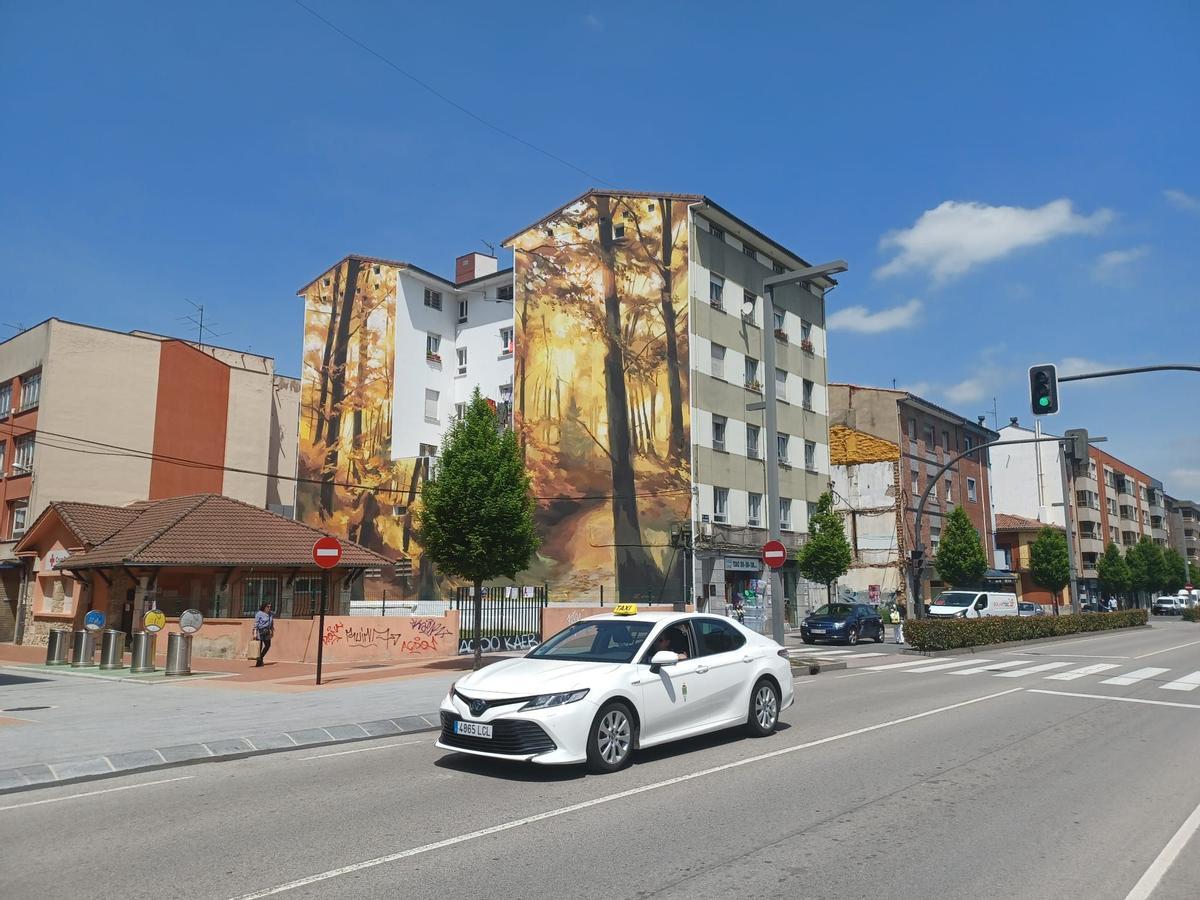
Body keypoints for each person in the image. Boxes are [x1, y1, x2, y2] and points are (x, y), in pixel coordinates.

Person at [253, 601, 275, 667]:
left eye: (270, 606)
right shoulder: (259, 614)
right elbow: (256, 624)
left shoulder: (271, 614)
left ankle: (260, 658)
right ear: (264, 607)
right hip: (260, 631)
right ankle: (259, 662)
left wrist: (272, 631)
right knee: (259, 647)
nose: (269, 608)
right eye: (268, 606)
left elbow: (271, 623)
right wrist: (254, 633)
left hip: (267, 631)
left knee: (268, 645)